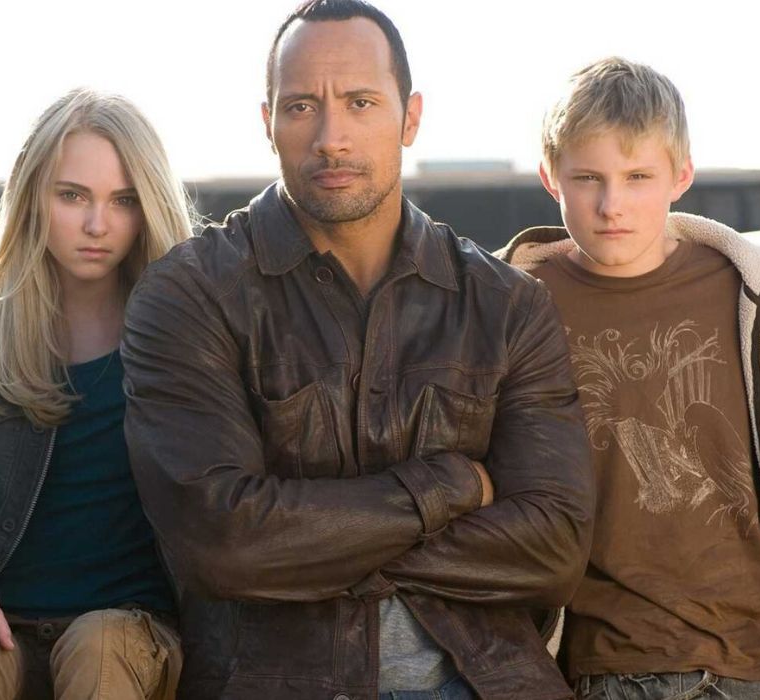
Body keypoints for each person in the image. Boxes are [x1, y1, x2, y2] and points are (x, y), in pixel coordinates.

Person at [120, 1, 595, 698]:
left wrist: (311, 542)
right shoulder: (191, 296)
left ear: (411, 117)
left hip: (485, 681)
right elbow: (223, 542)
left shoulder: (505, 305)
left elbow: (554, 546)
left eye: (361, 102)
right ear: (268, 122)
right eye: (303, 106)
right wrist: (452, 487)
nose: (332, 137)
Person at [497, 57, 760, 700]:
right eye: (587, 178)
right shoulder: (512, 304)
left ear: (682, 174)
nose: (612, 204)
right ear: (548, 176)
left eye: (638, 176)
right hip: (605, 672)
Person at [0, 88, 194, 699]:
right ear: (34, 195)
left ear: (149, 207)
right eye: (72, 196)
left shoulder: (189, 334)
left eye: (123, 201)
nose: (97, 224)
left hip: (132, 632)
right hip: (5, 621)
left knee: (100, 649)